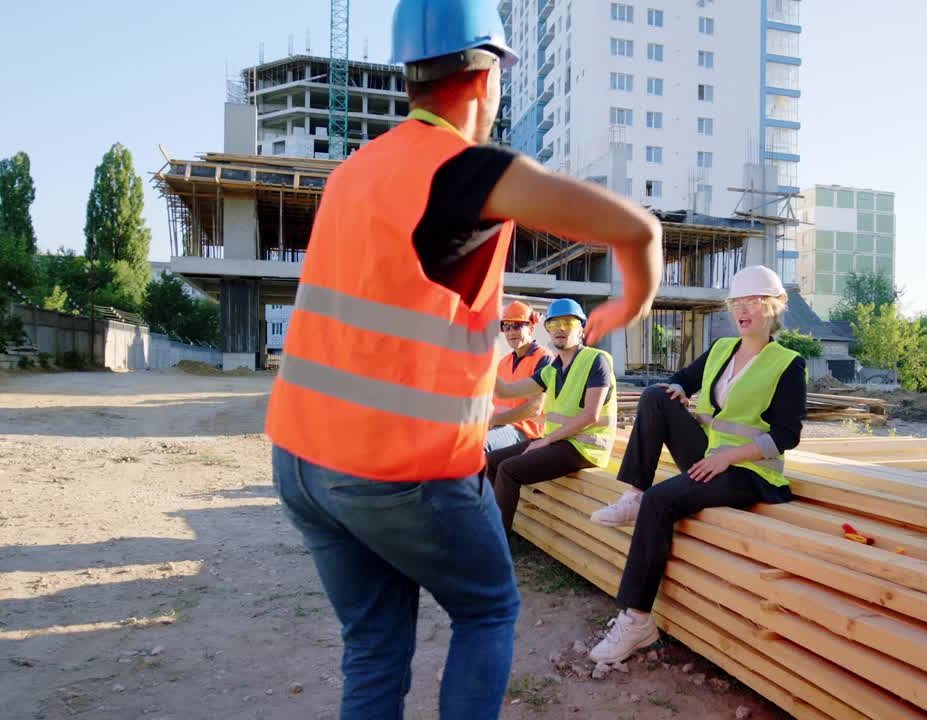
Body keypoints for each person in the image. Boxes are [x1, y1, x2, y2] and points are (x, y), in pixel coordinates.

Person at [263, 0, 663, 715]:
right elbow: (636, 228)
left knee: (374, 645)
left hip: (300, 460)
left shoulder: (357, 170)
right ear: (488, 79)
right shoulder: (463, 171)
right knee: (486, 611)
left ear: (410, 76)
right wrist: (631, 295)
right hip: (396, 470)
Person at [585, 266, 806, 664]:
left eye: (753, 301)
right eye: (737, 302)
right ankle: (633, 494)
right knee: (655, 395)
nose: (742, 310)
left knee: (661, 502)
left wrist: (727, 458)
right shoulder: (722, 349)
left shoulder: (787, 364)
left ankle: (637, 621)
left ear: (774, 307)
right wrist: (678, 391)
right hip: (710, 457)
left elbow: (786, 436)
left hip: (750, 472)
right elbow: (682, 380)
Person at [488, 298, 618, 532]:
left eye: (568, 323)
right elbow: (505, 391)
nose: (560, 328)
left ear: (581, 328)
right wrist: (480, 359)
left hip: (584, 448)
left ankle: (495, 546)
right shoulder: (553, 369)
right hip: (559, 442)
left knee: (508, 470)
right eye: (554, 324)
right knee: (491, 461)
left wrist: (545, 441)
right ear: (547, 329)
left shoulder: (596, 360)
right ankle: (487, 529)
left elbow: (590, 414)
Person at [485, 301, 552, 453]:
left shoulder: (544, 359)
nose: (511, 332)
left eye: (517, 326)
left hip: (527, 431)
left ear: (531, 328)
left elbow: (535, 408)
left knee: (479, 446)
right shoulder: (504, 362)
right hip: (499, 427)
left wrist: (496, 420)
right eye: (507, 327)